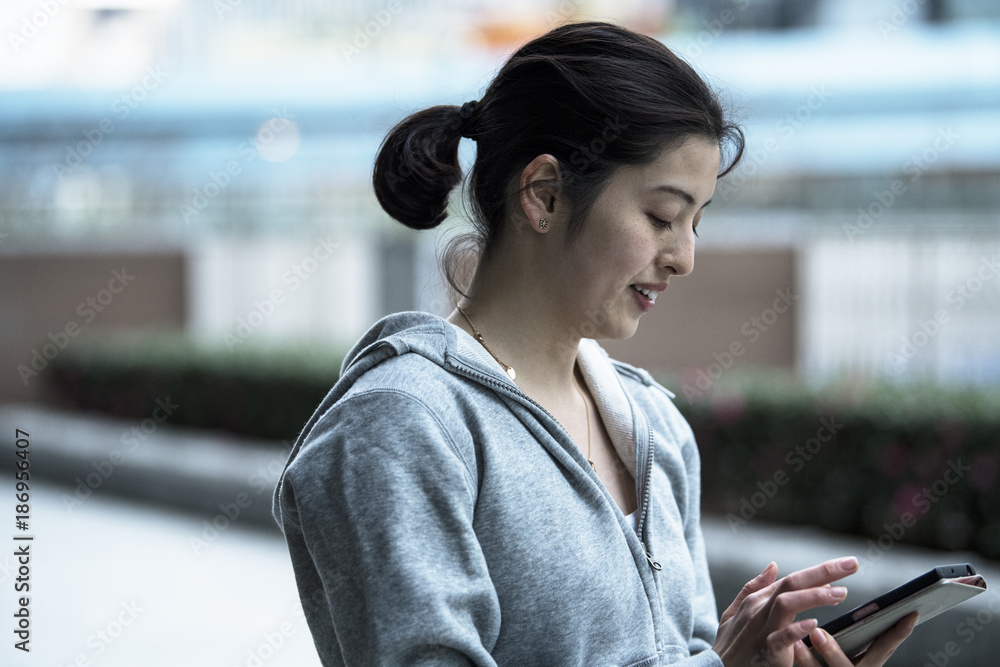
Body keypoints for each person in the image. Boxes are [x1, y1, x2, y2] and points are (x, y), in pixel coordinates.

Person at [271, 20, 917, 666]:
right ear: (545, 194)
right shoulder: (401, 424)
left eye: (696, 221)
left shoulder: (656, 427)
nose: (686, 256)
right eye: (662, 216)